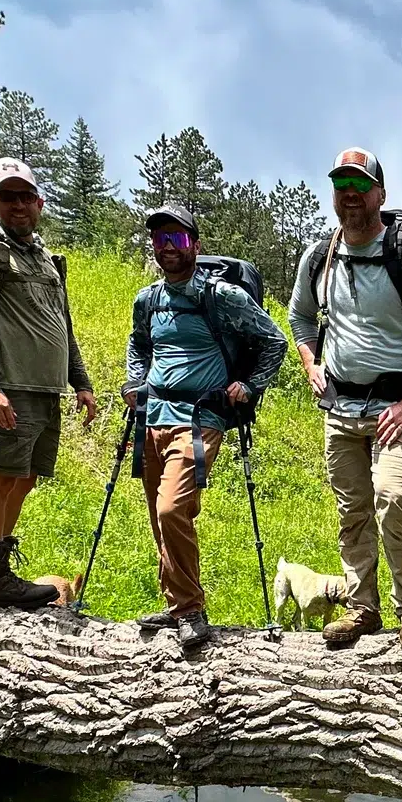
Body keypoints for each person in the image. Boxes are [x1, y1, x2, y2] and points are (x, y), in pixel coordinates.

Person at [288, 148, 402, 662]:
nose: (351, 195)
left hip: (395, 409)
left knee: (395, 499)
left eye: (361, 185)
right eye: (342, 185)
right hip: (340, 411)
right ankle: (362, 607)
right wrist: (311, 364)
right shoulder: (318, 258)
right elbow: (299, 318)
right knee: (352, 511)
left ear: (380, 194)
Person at [122, 204, 285, 649]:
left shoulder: (221, 296)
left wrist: (249, 386)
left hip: (199, 419)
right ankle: (177, 602)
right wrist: (134, 382)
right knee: (158, 517)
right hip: (152, 417)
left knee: (172, 509)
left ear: (194, 243)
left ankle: (190, 609)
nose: (167, 247)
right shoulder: (147, 300)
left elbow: (274, 341)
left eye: (176, 238)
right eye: (160, 239)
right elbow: (139, 345)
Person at [0, 157, 100, 610]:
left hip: (45, 390)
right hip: (8, 387)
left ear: (39, 202)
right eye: (7, 196)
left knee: (25, 479)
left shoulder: (45, 258)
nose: (18, 204)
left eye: (26, 196)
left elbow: (62, 324)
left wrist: (80, 380)